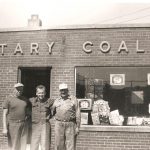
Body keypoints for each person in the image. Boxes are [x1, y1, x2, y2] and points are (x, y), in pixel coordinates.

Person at [52, 83, 81, 150]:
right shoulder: (56, 100)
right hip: (59, 124)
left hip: (70, 124)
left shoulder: (73, 99)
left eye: (65, 90)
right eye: (61, 90)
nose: (63, 92)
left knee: (70, 144)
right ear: (59, 91)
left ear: (67, 90)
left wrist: (78, 126)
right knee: (58, 144)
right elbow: (52, 111)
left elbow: (78, 113)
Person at [2, 83, 29, 150]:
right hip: (13, 124)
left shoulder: (25, 99)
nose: (19, 91)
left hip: (23, 124)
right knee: (14, 145)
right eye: (18, 89)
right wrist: (5, 128)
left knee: (23, 144)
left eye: (21, 89)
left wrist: (27, 116)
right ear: (14, 89)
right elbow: (4, 115)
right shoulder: (8, 99)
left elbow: (28, 111)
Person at [29, 85, 54, 150]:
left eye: (42, 93)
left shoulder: (50, 101)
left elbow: (53, 112)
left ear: (45, 93)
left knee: (45, 145)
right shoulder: (31, 101)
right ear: (36, 93)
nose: (41, 94)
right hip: (35, 125)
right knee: (34, 144)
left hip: (45, 125)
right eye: (39, 93)